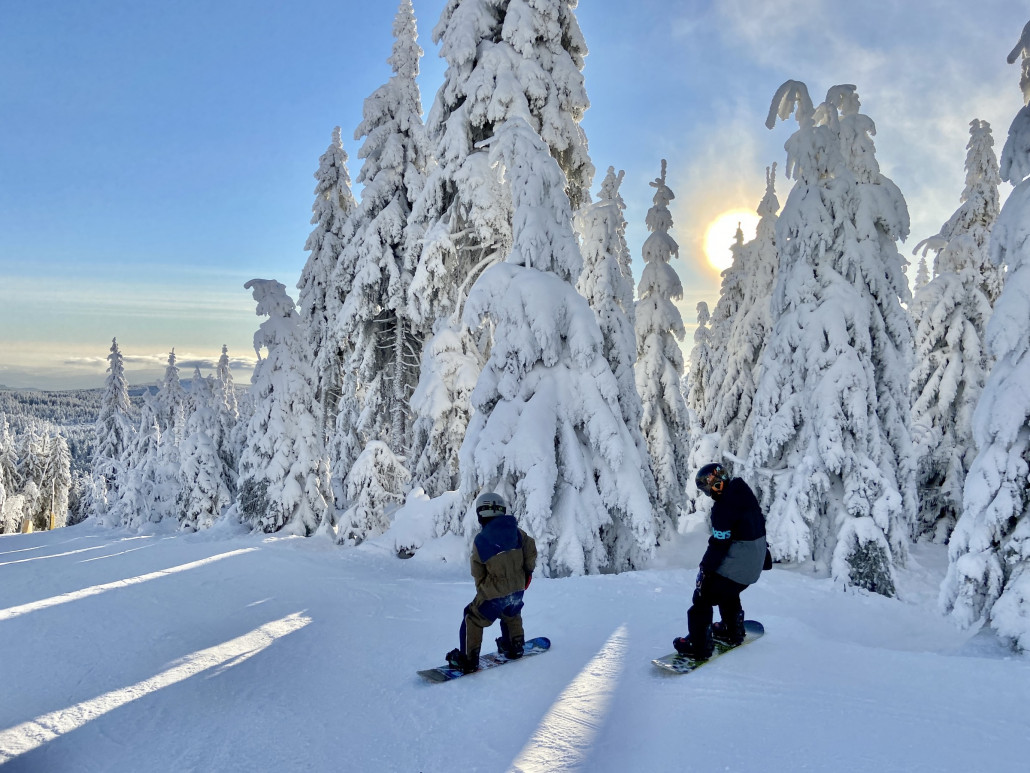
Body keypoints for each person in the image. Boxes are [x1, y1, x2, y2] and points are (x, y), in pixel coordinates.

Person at [674, 463, 768, 660]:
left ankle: (698, 646)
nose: (708, 494)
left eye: (707, 489)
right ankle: (731, 630)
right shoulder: (743, 493)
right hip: (754, 565)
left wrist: (705, 569)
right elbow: (758, 524)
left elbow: (719, 543)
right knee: (727, 588)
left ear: (715, 485)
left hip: (742, 565)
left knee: (702, 597)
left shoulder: (724, 507)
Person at [446, 492, 537, 674]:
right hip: (517, 589)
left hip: (493, 593)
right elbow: (531, 553)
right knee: (511, 614)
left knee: (472, 617)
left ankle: (469, 659)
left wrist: (483, 589)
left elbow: (477, 570)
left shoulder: (482, 540)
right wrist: (526, 574)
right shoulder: (518, 533)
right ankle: (515, 646)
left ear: (481, 514)